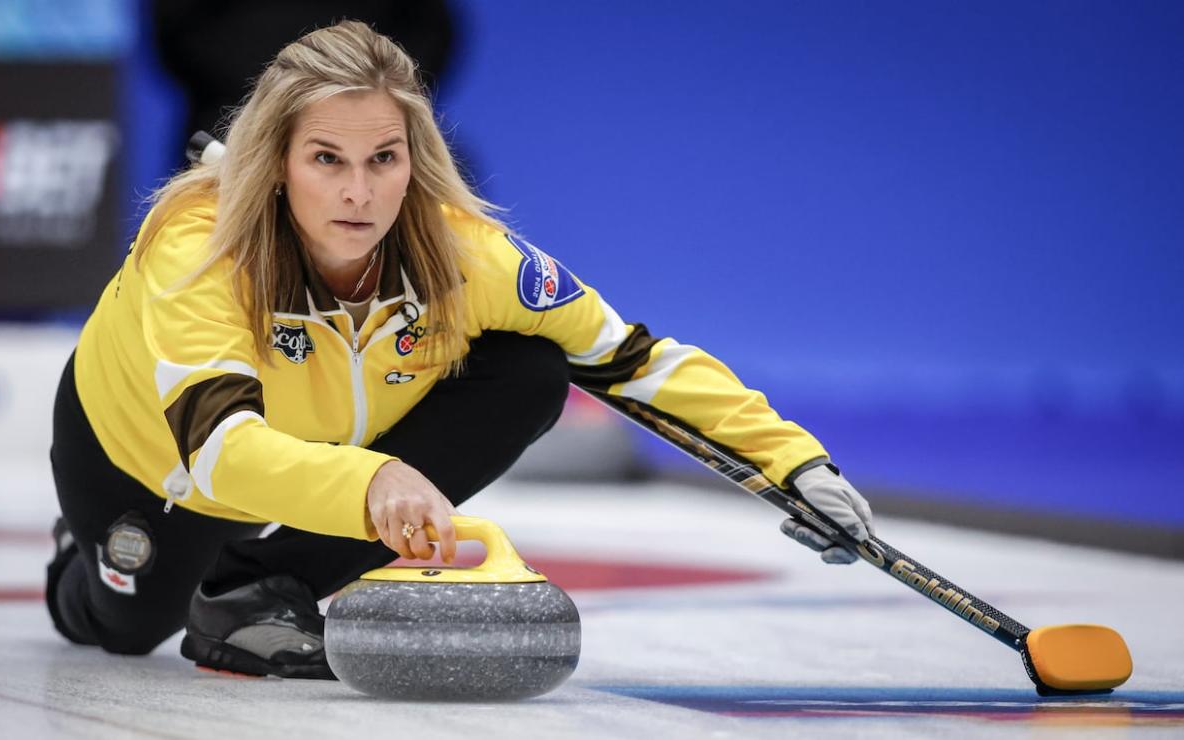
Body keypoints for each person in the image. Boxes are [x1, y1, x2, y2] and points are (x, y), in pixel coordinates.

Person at [46, 20, 875, 680]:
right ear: (275, 165)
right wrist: (379, 480)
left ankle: (263, 584)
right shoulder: (201, 252)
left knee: (529, 371)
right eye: (326, 159)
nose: (358, 192)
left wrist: (795, 467)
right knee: (126, 628)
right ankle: (78, 563)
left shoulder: (468, 254)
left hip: (318, 462)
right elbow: (220, 456)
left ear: (416, 162)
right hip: (145, 460)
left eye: (384, 159)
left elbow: (633, 361)